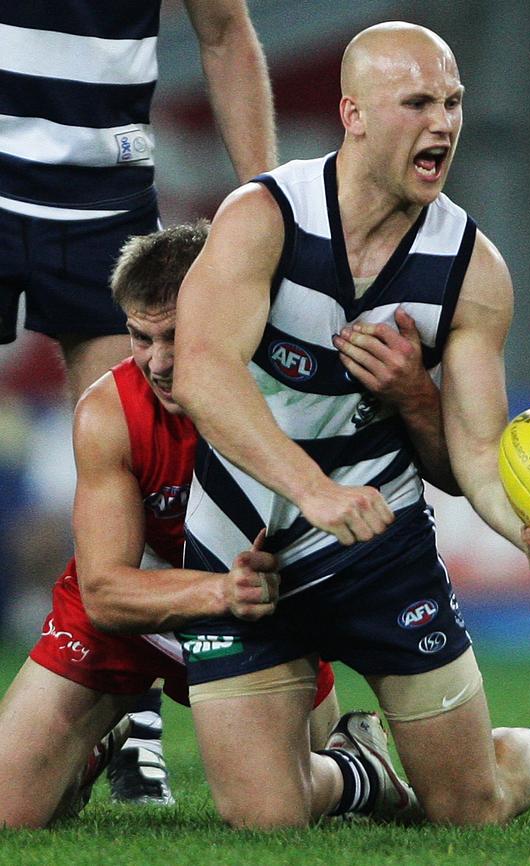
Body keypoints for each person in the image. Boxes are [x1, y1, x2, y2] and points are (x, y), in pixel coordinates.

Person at [171, 21, 530, 829]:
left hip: (378, 545)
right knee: (267, 819)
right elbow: (203, 373)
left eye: (454, 103)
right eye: (418, 103)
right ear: (354, 113)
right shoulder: (264, 215)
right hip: (241, 548)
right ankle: (359, 772)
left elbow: (476, 453)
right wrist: (312, 489)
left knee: (470, 809)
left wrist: (523, 529)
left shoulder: (473, 269)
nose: (445, 123)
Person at [0, 0, 276, 803]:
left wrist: (270, 208)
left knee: (150, 453)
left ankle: (135, 725)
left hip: (100, 197)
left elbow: (223, 29)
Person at [0, 222, 343, 829]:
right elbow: (104, 591)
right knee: (7, 811)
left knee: (286, 809)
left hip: (255, 620)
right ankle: (102, 737)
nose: (158, 364)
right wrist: (219, 590)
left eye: (176, 337)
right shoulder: (109, 411)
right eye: (140, 336)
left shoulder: (291, 393)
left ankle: (358, 766)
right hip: (149, 606)